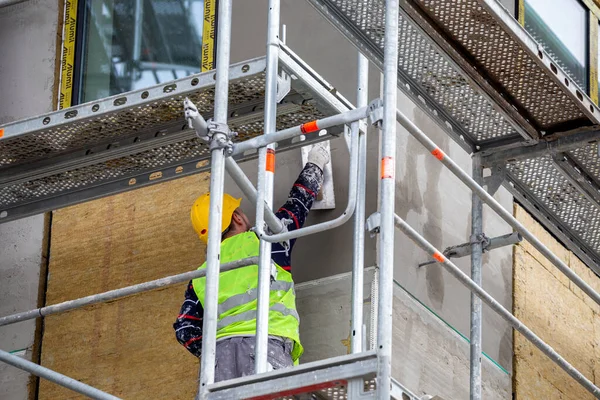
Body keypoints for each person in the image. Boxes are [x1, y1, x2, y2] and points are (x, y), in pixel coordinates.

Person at [173, 143, 330, 382]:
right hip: (265, 346)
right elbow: (297, 205)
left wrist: (214, 355)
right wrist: (316, 162)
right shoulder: (265, 240)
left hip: (218, 361)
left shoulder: (202, 274)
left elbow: (186, 329)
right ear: (236, 217)